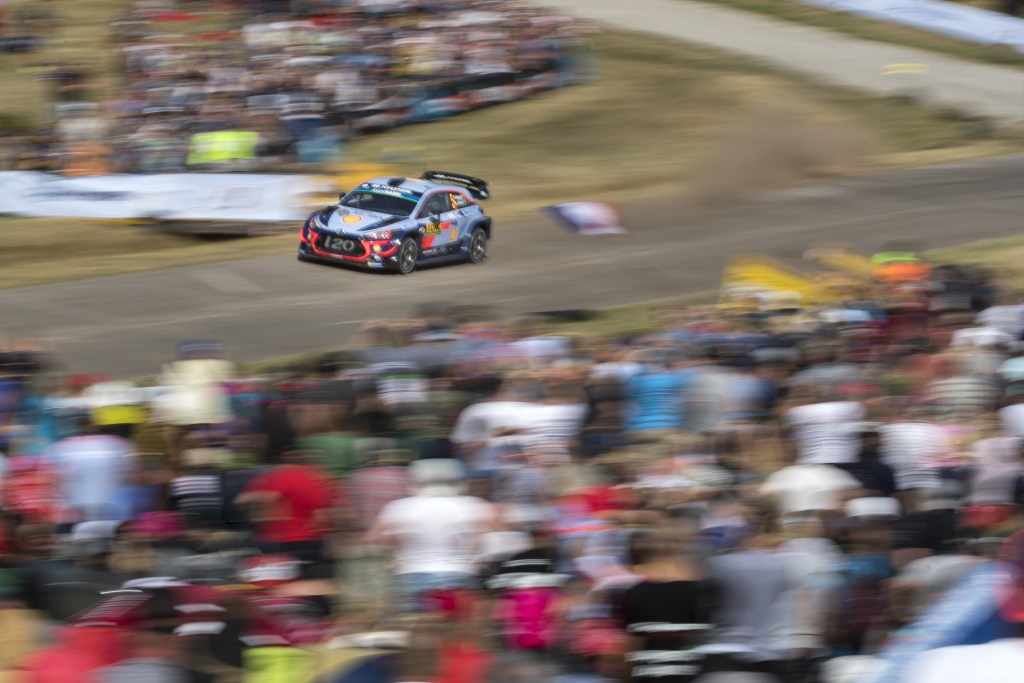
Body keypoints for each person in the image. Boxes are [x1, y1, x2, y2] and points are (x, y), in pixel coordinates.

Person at [366, 458, 498, 612]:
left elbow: (374, 537)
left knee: (413, 630)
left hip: (411, 576)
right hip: (458, 576)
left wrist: (396, 551)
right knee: (457, 630)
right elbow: (490, 537)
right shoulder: (472, 505)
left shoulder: (400, 507)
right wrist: (473, 556)